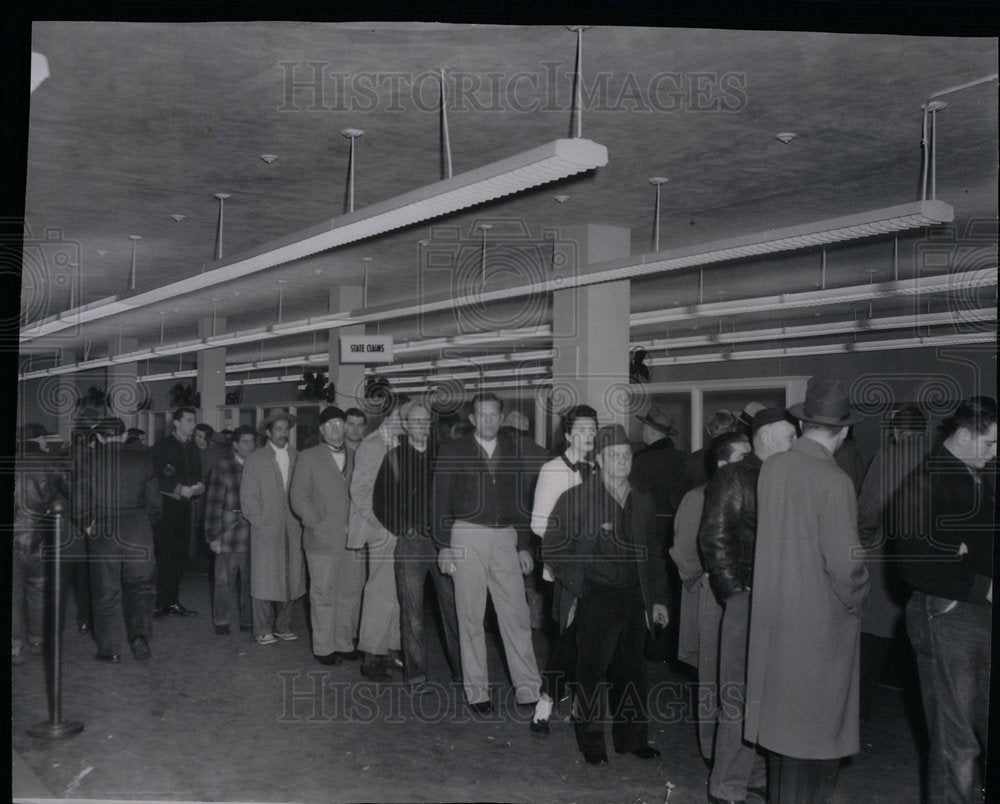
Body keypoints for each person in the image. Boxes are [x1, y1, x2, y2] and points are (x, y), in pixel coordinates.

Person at [744, 379, 869, 803]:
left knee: (782, 743)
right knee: (815, 749)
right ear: (845, 430)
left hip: (775, 623)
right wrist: (859, 599)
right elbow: (848, 567)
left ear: (802, 423)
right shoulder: (835, 482)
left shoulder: (774, 467)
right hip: (819, 632)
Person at [543, 424, 669, 765]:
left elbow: (654, 554)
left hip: (633, 596)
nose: (622, 462)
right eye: (614, 456)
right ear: (598, 459)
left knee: (633, 671)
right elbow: (553, 548)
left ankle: (633, 740)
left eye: (626, 456)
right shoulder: (577, 499)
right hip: (595, 595)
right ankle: (592, 745)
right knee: (591, 673)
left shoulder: (642, 500)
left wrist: (657, 599)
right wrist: (579, 588)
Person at [895, 396, 995, 804]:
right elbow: (914, 565)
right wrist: (981, 586)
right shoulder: (927, 481)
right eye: (989, 443)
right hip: (947, 614)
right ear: (965, 435)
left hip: (973, 612)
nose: (995, 453)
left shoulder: (974, 473)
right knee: (957, 743)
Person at [698, 409, 797, 803]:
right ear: (769, 437)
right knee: (737, 693)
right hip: (747, 597)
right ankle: (725, 785)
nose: (797, 442)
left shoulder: (787, 475)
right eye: (791, 436)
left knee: (768, 693)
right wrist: (735, 593)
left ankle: (755, 772)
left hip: (779, 601)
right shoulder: (735, 476)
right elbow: (714, 537)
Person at [433, 393, 542, 713]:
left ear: (501, 417)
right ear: (472, 419)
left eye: (494, 415)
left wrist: (523, 545)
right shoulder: (453, 450)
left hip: (505, 537)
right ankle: (477, 691)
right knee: (470, 615)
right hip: (467, 535)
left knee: (517, 615)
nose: (489, 421)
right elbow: (439, 502)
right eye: (482, 415)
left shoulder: (512, 449)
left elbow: (522, 500)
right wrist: (444, 547)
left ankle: (529, 689)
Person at [670, 430, 751, 763]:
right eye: (744, 458)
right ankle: (712, 751)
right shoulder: (698, 497)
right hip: (711, 596)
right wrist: (702, 583)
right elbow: (684, 551)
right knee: (712, 675)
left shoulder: (752, 493)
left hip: (738, 596)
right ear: (722, 463)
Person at [372, 402, 462, 693]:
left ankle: (464, 671)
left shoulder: (443, 456)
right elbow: (380, 502)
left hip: (443, 544)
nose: (422, 427)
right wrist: (402, 527)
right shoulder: (394, 459)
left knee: (454, 609)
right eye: (416, 422)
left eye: (426, 422)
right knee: (412, 613)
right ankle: (416, 675)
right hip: (410, 544)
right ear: (406, 426)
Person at [528, 404, 598, 735]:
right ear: (568, 435)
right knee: (568, 641)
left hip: (597, 571)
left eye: (592, 430)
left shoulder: (599, 468)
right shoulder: (552, 470)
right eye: (581, 430)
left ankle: (579, 705)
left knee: (591, 640)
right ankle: (544, 704)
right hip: (566, 570)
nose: (588, 436)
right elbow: (539, 526)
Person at [856, 406, 926, 721]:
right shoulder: (939, 458)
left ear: (896, 432)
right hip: (928, 567)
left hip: (886, 560)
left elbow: (868, 512)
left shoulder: (888, 457)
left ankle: (856, 717)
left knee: (871, 642)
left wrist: (863, 540)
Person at [81, 418, 161, 662]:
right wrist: (145, 524)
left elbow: (79, 499)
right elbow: (156, 503)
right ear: (125, 436)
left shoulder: (88, 461)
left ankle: (110, 649)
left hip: (104, 529)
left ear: (101, 438)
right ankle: (140, 639)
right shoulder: (143, 460)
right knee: (142, 588)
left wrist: (87, 523)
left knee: (106, 592)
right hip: (138, 528)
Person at [290, 406, 365, 665]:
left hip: (354, 541)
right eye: (330, 425)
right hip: (322, 540)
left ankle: (345, 642)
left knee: (351, 593)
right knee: (323, 594)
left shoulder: (358, 457)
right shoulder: (308, 457)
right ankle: (324, 647)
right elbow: (298, 497)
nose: (336, 428)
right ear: (321, 430)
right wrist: (316, 524)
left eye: (339, 423)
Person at [348, 396, 409, 680]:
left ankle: (391, 650)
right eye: (406, 415)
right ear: (392, 414)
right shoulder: (371, 445)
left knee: (398, 593)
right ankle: (371, 655)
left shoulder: (403, 444)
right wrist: (381, 524)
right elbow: (360, 491)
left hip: (403, 529)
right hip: (383, 529)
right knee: (379, 592)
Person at [240, 410, 306, 645]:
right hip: (266, 528)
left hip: (293, 527)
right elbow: (248, 496)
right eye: (278, 429)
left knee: (291, 576)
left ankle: (283, 625)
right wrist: (259, 521)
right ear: (268, 432)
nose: (283, 433)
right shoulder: (255, 459)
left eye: (286, 429)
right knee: (264, 578)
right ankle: (261, 628)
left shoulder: (297, 457)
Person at [12, 423, 69, 664]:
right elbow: (68, 491)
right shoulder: (50, 462)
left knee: (12, 592)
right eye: (45, 438)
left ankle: (14, 645)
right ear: (39, 439)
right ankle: (37, 641)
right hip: (39, 536)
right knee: (38, 588)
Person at [149, 407, 204, 617]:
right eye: (188, 420)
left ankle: (172, 601)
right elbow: (155, 477)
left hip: (185, 508)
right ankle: (160, 602)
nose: (192, 424)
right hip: (165, 509)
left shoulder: (192, 448)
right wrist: (180, 489)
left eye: (193, 420)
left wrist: (199, 486)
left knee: (180, 557)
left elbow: (197, 474)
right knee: (165, 556)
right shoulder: (162, 447)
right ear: (177, 423)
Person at [204, 426, 257, 636]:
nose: (250, 446)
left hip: (254, 535)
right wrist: (213, 536)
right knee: (224, 581)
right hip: (229, 534)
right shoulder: (223, 467)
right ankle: (221, 620)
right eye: (245, 442)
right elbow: (213, 503)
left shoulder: (258, 466)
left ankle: (247, 620)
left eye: (253, 442)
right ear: (235, 445)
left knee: (250, 582)